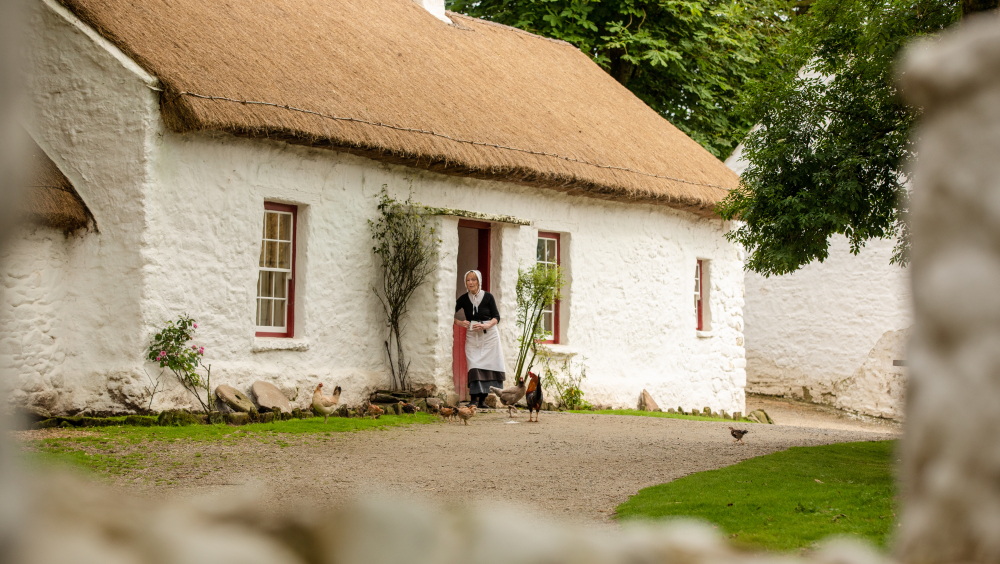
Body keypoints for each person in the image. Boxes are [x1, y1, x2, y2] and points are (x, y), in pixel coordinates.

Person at [454, 270, 505, 409]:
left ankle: (482, 401)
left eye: (473, 280)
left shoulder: (488, 297)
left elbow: (496, 317)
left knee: (488, 365)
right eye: (468, 280)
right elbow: (447, 311)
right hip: (473, 336)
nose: (470, 282)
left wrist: (486, 325)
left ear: (479, 281)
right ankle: (473, 400)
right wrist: (459, 322)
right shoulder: (464, 299)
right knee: (474, 365)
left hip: (490, 336)